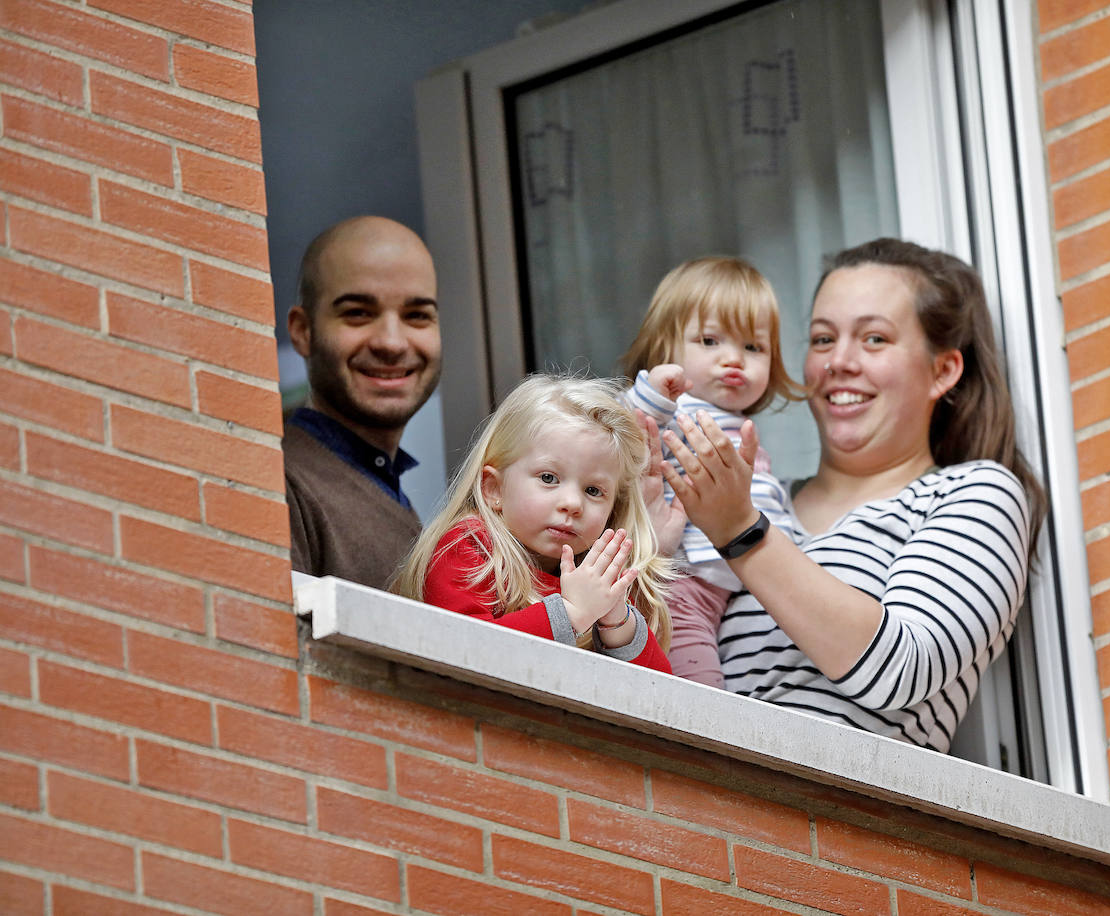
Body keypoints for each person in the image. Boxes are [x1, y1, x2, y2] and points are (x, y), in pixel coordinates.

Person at [656, 238, 1046, 750]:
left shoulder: (975, 494)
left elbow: (901, 671)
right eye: (822, 340)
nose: (839, 361)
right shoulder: (755, 500)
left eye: (875, 339)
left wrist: (741, 532)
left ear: (943, 370)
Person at [392, 374, 674, 673]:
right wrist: (570, 613)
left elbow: (660, 696)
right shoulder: (468, 547)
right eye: (548, 478)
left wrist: (617, 622)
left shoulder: (598, 578)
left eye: (593, 491)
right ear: (493, 489)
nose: (573, 504)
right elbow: (462, 650)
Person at [620, 256, 802, 687]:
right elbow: (618, 430)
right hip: (680, 583)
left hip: (725, 590)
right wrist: (653, 390)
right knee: (702, 696)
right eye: (710, 341)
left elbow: (766, 505)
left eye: (753, 348)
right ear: (666, 347)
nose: (733, 359)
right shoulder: (676, 411)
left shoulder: (743, 430)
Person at [282, 215, 441, 590]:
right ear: (303, 332)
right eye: (357, 313)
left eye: (417, 315)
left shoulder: (394, 500)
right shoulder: (278, 485)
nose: (392, 342)